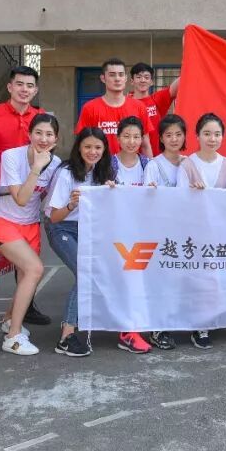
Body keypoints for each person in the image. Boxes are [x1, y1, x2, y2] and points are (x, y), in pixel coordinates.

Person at [0, 65, 49, 335]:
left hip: (27, 199)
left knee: (28, 260)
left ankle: (26, 307)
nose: (24, 90)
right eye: (19, 84)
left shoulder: (41, 118)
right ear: (9, 87)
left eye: (29, 86)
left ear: (35, 90)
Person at [47, 128, 134, 355]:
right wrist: (71, 205)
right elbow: (54, 217)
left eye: (97, 147)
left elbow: (117, 206)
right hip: (62, 228)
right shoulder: (66, 173)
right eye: (87, 147)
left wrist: (112, 194)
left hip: (90, 230)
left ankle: (77, 328)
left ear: (104, 150)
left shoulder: (104, 173)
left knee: (92, 273)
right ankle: (66, 335)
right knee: (85, 272)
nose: (92, 152)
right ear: (79, 148)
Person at [0, 114, 61, 357]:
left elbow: (48, 199)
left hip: (29, 223)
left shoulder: (56, 163)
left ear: (56, 140)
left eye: (49, 134)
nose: (43, 139)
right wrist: (36, 167)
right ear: (29, 134)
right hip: (1, 218)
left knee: (28, 275)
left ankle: (9, 320)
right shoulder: (11, 156)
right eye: (38, 133)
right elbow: (21, 198)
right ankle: (13, 337)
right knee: (34, 269)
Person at [177, 113, 226, 350]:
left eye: (217, 134)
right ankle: (199, 326)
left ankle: (211, 319)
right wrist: (192, 192)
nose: (212, 139)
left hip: (219, 233)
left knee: (216, 279)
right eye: (207, 133)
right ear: (197, 136)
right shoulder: (187, 165)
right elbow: (179, 199)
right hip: (194, 233)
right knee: (198, 279)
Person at [142, 114, 189, 350]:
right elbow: (146, 201)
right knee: (160, 281)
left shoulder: (190, 163)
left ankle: (180, 322)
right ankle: (158, 328)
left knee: (181, 281)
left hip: (185, 232)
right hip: (160, 233)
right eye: (168, 135)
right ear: (160, 138)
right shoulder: (154, 165)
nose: (174, 139)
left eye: (178, 134)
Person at [108, 116, 154, 353]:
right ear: (117, 138)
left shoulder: (148, 165)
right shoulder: (108, 164)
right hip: (115, 235)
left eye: (136, 137)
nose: (131, 141)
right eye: (126, 136)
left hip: (141, 234)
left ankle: (134, 328)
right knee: (125, 281)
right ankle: (127, 331)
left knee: (139, 282)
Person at [75, 58, 153, 157]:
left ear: (125, 78)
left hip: (130, 164)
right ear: (103, 78)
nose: (117, 79)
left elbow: (145, 145)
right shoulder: (90, 108)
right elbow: (82, 143)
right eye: (112, 75)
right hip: (100, 164)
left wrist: (151, 165)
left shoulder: (139, 107)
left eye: (121, 74)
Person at [129, 62, 179, 157]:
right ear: (132, 81)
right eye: (138, 77)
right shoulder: (125, 103)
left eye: (146, 77)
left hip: (156, 156)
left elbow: (179, 84)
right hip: (131, 158)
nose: (143, 80)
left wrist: (190, 61)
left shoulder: (156, 99)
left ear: (151, 82)